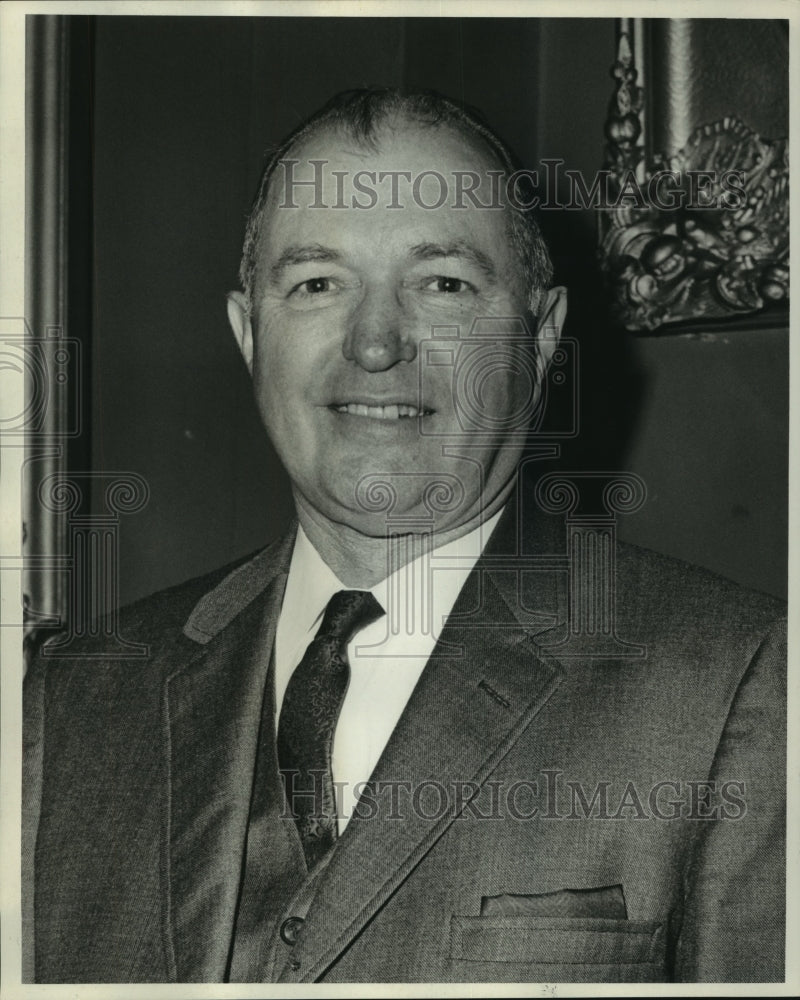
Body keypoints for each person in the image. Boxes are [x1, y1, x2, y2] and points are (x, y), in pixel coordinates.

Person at [23, 88, 785, 984]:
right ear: (248, 334)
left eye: (443, 284)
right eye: (317, 284)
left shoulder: (740, 684)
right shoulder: (70, 700)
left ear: (540, 340)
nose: (376, 343)